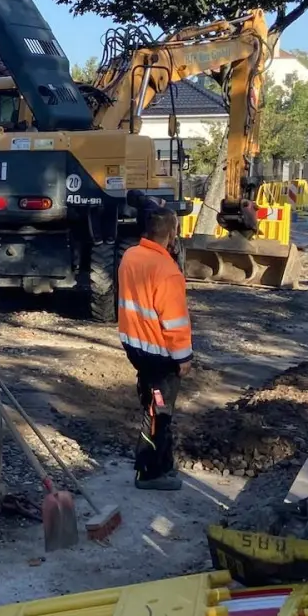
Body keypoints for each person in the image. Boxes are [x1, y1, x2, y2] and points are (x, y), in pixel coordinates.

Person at [118, 207, 192, 491]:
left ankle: (163, 464)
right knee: (158, 411)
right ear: (172, 233)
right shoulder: (167, 271)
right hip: (159, 355)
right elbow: (174, 322)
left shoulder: (131, 256)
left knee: (155, 403)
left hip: (135, 346)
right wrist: (183, 357)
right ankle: (148, 472)